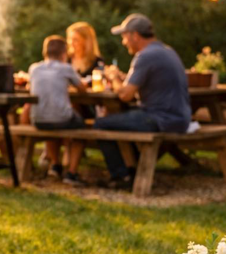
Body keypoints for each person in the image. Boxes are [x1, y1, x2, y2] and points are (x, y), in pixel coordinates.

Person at [94, 13, 192, 189]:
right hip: (179, 117)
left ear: (135, 35)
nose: (124, 42)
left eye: (124, 37)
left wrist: (113, 77)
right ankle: (132, 170)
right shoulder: (166, 51)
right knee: (123, 121)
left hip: (161, 118)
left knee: (101, 124)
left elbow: (125, 95)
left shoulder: (145, 56)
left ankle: (121, 176)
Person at [24, 35, 88, 186]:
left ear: (45, 52)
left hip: (38, 120)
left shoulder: (34, 68)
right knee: (83, 130)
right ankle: (71, 173)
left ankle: (55, 165)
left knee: (51, 123)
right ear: (64, 53)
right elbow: (83, 90)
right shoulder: (66, 68)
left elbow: (29, 87)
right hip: (60, 118)